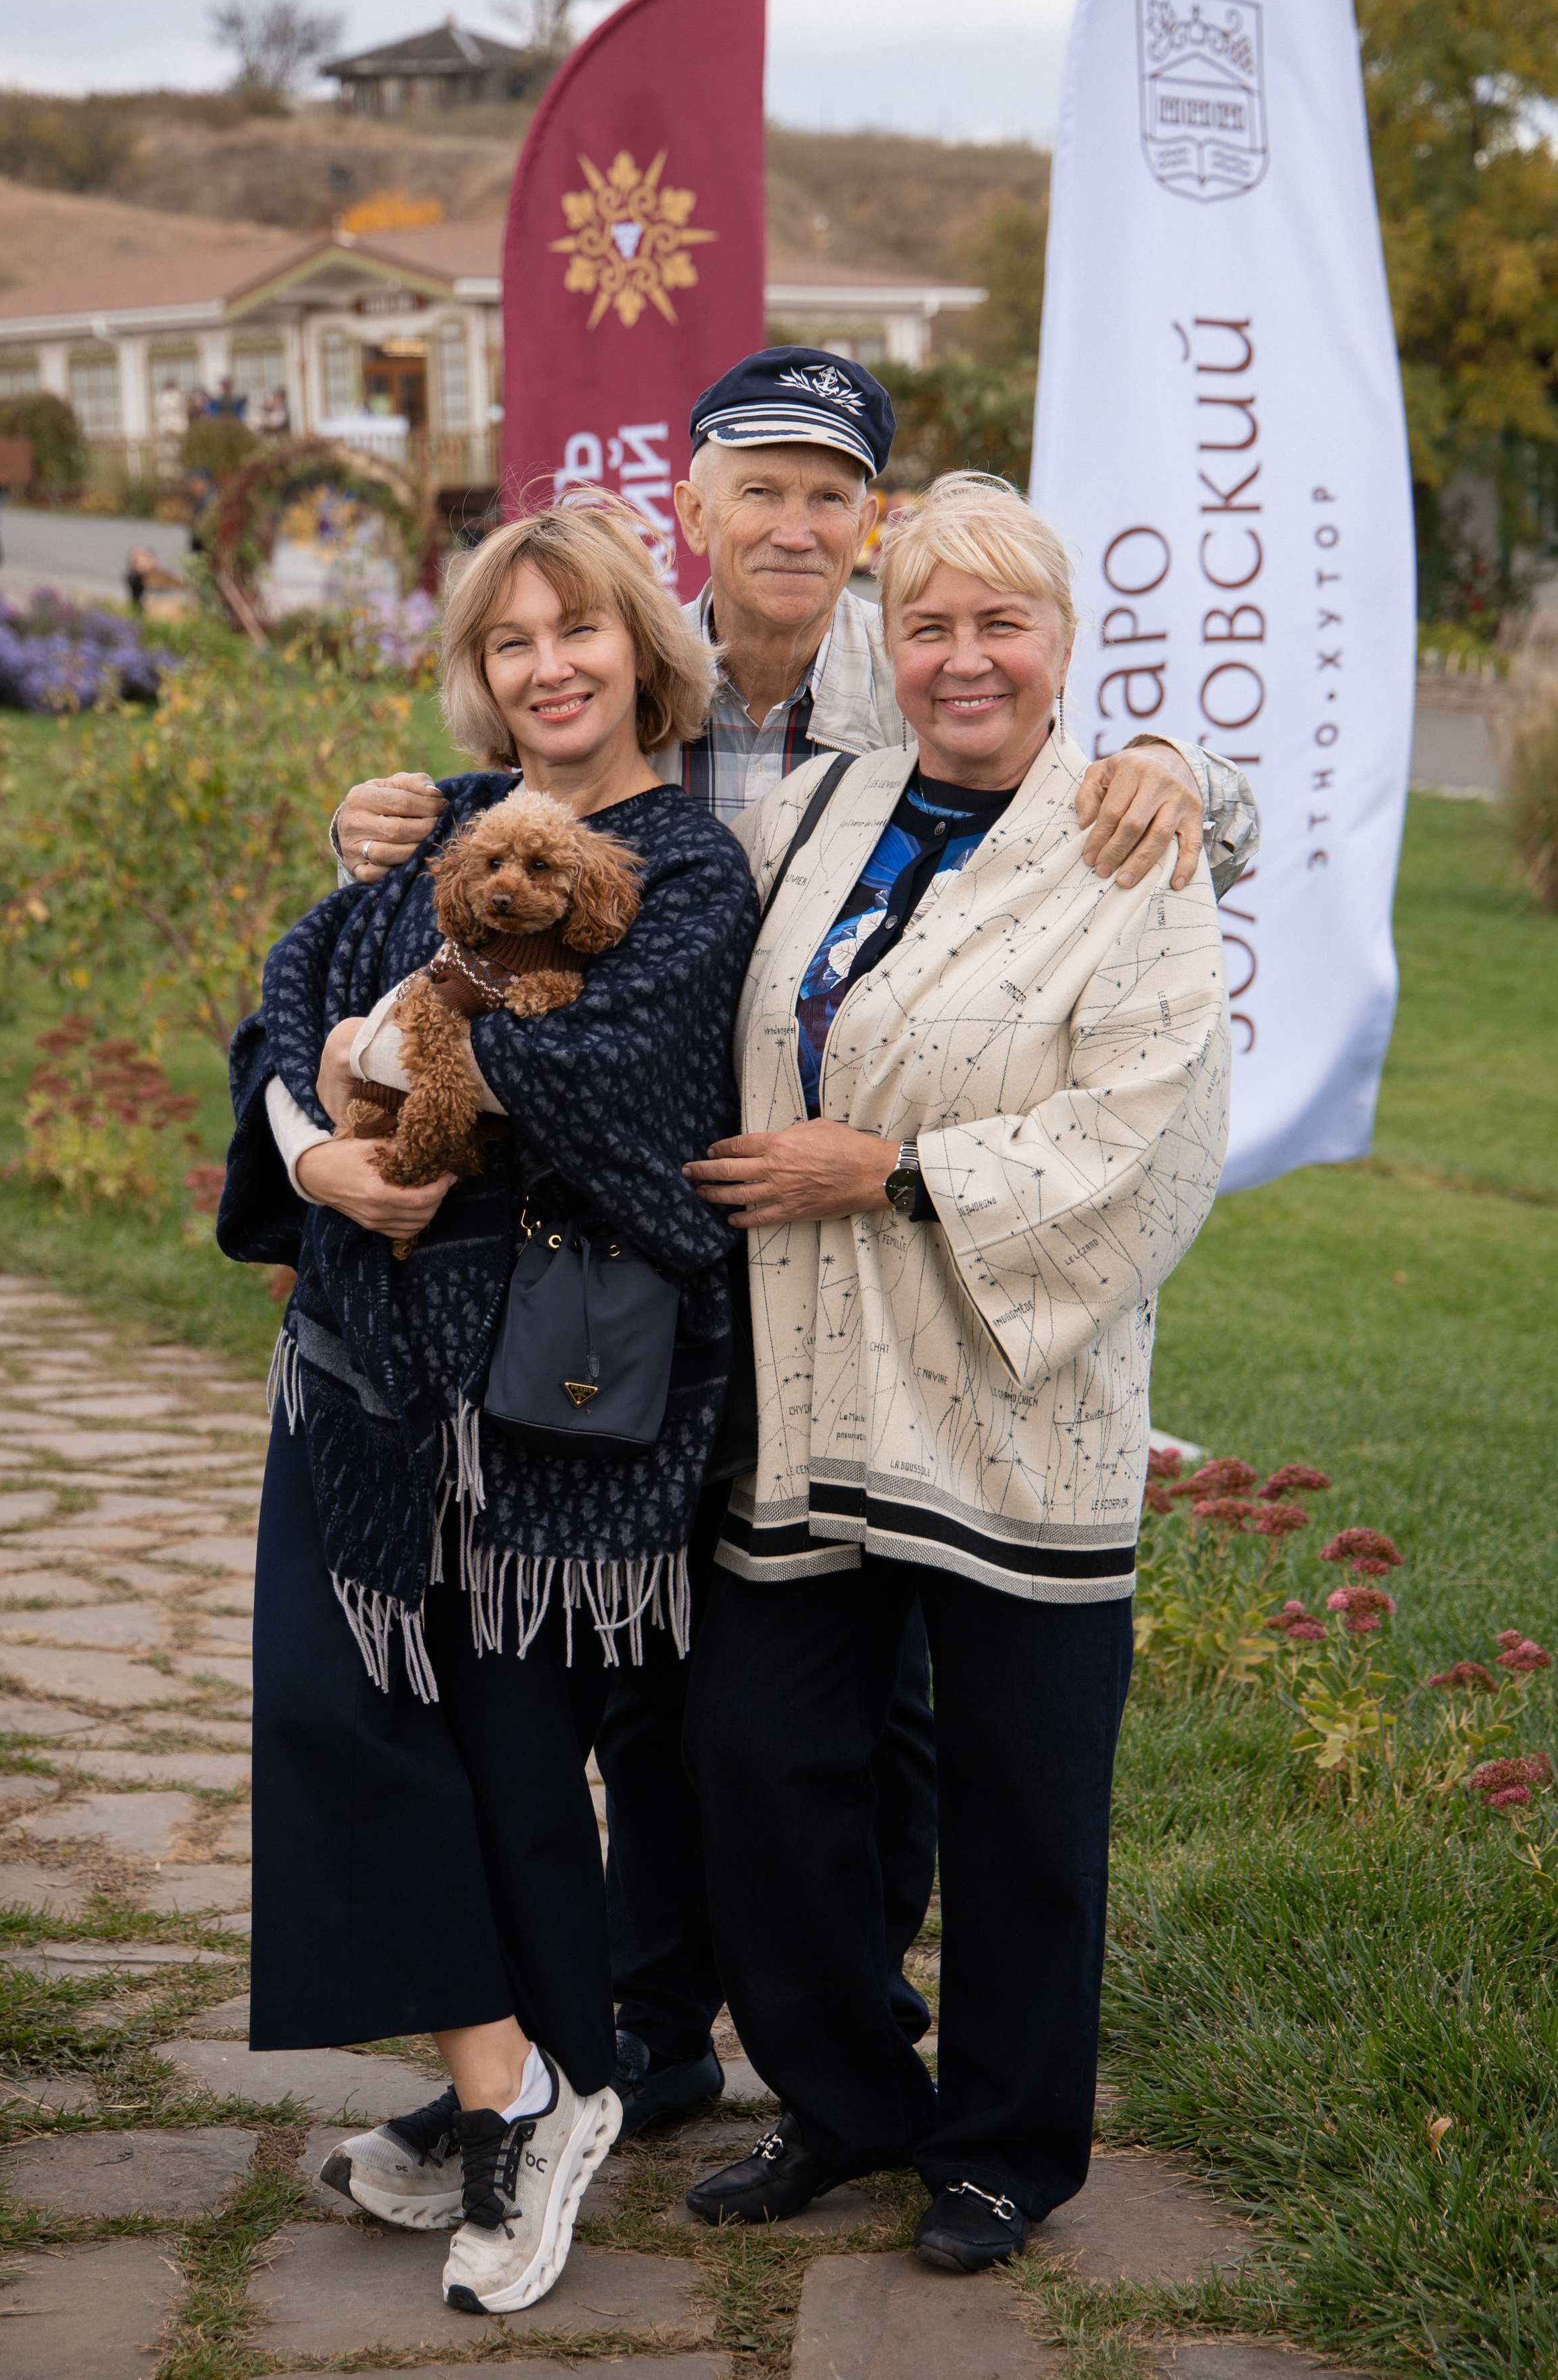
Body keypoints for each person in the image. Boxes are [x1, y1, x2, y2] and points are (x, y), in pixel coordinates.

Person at [322, 349, 1261, 2141]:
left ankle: (919, 2077)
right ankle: (684, 2034)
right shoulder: (655, 668)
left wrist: (1180, 769)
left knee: (921, 1729)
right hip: (696, 1286)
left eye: (831, 494)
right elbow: (555, 830)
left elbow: (1091, 821)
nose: (796, 522)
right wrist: (403, 816)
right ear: (698, 500)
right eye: (762, 486)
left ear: (869, 526)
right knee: (696, 1706)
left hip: (924, 1312)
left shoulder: (928, 680)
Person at [677, 472, 1229, 2272]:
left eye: (1005, 623)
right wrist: (422, 824)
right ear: (885, 644)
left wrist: (894, 1173)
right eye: (930, 624)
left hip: (1013, 1399)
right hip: (811, 1385)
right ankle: (845, 2101)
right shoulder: (822, 807)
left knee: (1023, 1797)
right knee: (760, 1766)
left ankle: (1001, 2147)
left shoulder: (1131, 837)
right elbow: (667, 938)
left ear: (1064, 645)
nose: (965, 658)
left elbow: (1153, 1135)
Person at [217, 497, 759, 2315]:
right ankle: (516, 2080)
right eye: (512, 642)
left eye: (578, 633)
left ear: (643, 654)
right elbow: (282, 998)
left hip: (550, 1400)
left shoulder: (687, 871)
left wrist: (394, 1049)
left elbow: (608, 1077)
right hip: (370, 1373)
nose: (548, 668)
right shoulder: (440, 827)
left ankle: (526, 2105)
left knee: (517, 1770)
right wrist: (312, 1153)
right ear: (480, 671)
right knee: (341, 1710)